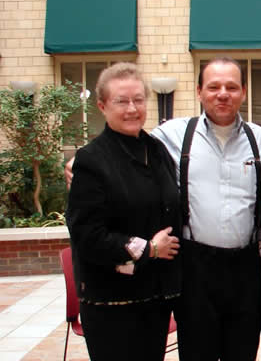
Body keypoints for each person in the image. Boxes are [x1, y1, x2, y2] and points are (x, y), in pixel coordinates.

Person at [66, 57, 261, 360]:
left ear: (243, 91)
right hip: (193, 269)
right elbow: (114, 150)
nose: (223, 93)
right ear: (199, 91)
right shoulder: (173, 135)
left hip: (245, 269)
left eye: (231, 86)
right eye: (214, 86)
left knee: (242, 352)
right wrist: (76, 162)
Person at [66, 62, 182, 361]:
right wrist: (149, 250)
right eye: (122, 101)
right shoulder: (91, 160)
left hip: (154, 299)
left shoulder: (156, 150)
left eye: (138, 100)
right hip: (111, 302)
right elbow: (86, 235)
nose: (132, 109)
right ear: (103, 106)